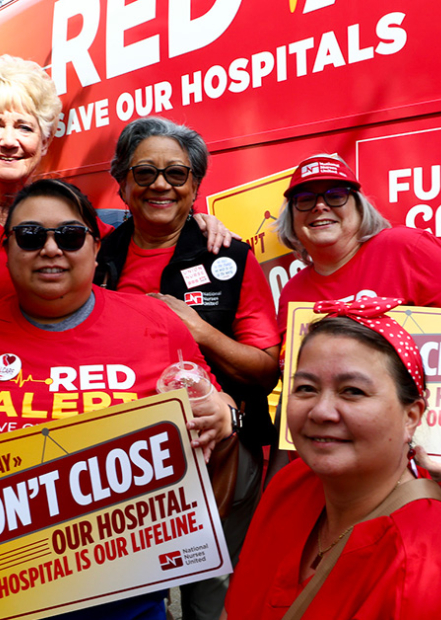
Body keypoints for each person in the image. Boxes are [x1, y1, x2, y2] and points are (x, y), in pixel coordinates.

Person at [0, 179, 236, 620]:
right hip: (4, 597)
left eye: (69, 236)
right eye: (31, 236)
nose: (51, 249)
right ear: (8, 248)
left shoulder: (155, 322)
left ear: (94, 248)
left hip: (133, 598)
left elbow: (213, 401)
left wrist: (223, 414)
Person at [95, 116, 279, 620]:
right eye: (144, 172)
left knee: (212, 602)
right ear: (123, 183)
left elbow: (265, 371)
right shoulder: (92, 252)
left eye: (177, 174)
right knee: (125, 597)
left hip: (217, 456)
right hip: (120, 464)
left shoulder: (231, 256)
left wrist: (197, 330)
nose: (160, 184)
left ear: (195, 186)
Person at [223, 298, 441, 620]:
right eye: (306, 388)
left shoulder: (426, 565)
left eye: (353, 391)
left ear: (411, 416)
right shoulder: (291, 485)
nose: (321, 411)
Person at [275, 153, 441, 536]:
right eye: (304, 199)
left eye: (336, 194)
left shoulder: (403, 247)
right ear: (291, 218)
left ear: (359, 207)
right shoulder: (293, 292)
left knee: (432, 589)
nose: (320, 205)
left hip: (425, 471)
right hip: (337, 482)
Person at [0, 56, 235, 308]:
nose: (9, 141)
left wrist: (195, 221)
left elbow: (143, 235)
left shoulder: (73, 218)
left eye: (24, 127)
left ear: (44, 142)